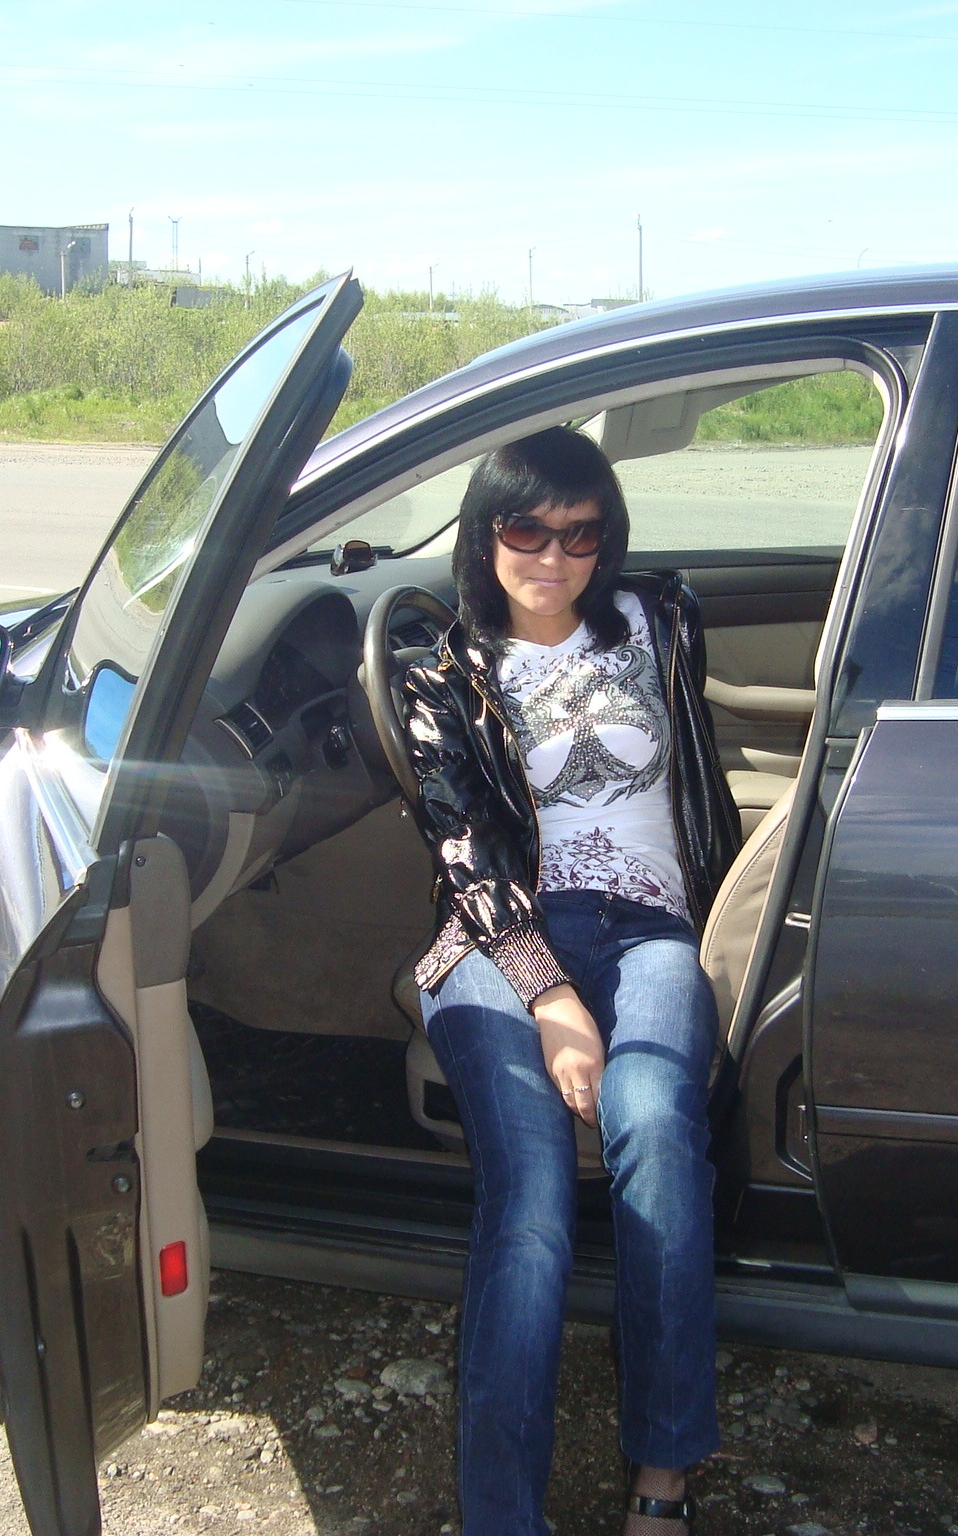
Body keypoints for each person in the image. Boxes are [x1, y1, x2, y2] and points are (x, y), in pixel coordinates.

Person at [400, 426, 741, 1534]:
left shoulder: (659, 619)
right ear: (484, 533)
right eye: (526, 529)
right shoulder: (444, 676)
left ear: (609, 541)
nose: (553, 556)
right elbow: (466, 855)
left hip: (648, 930)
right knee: (532, 1201)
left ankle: (662, 1479)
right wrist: (551, 999)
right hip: (500, 941)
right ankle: (503, 1516)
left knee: (657, 1129)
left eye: (581, 534)